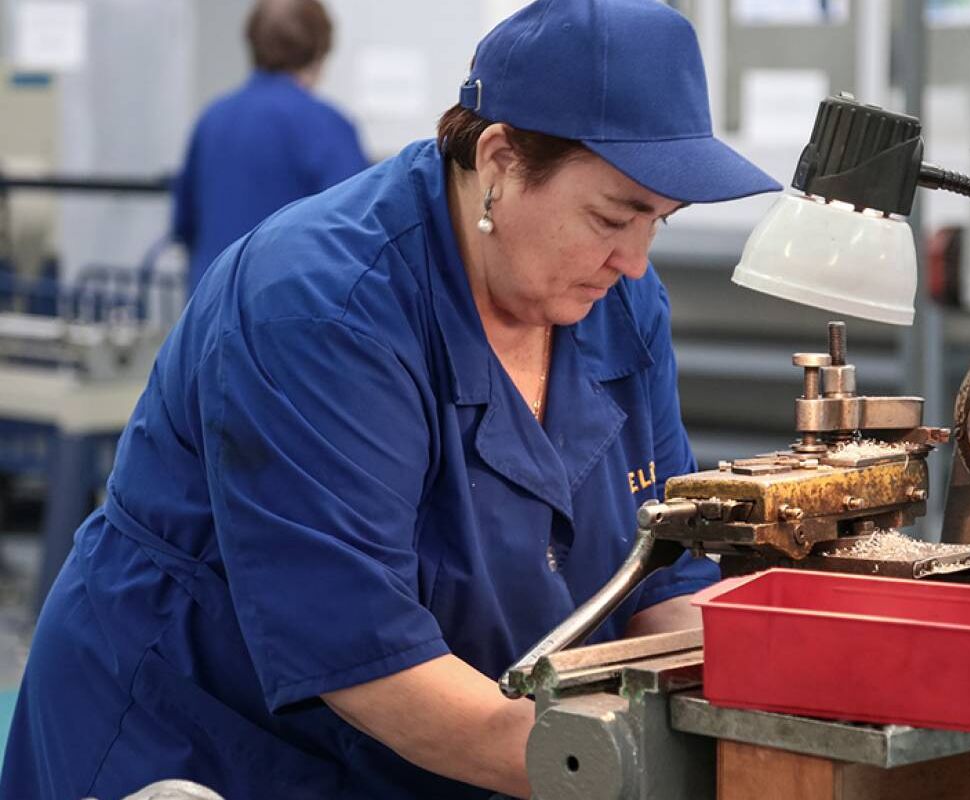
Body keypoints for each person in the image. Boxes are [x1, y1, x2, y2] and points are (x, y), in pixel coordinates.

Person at [1, 0, 781, 797]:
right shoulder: (320, 309)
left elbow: (657, 573)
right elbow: (364, 652)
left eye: (659, 220)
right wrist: (623, 768)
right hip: (205, 740)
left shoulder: (617, 305)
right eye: (612, 217)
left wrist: (769, 708)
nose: (636, 260)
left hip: (454, 744)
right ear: (501, 161)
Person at [171, 0, 369, 293]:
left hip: (208, 315)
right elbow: (359, 237)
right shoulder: (328, 127)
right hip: (288, 321)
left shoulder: (212, 120)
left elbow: (184, 225)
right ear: (320, 49)